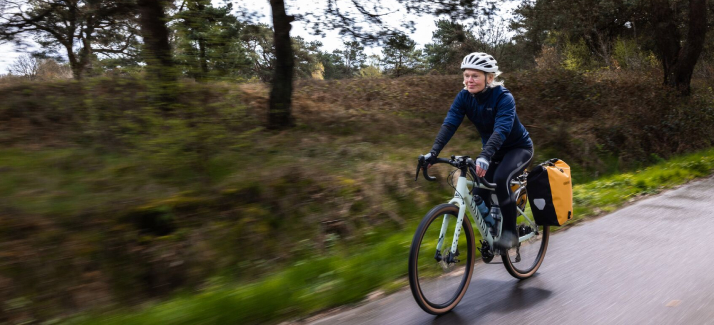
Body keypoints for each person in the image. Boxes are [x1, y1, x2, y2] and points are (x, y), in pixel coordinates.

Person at [423, 52, 534, 251]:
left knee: (501, 179)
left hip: (518, 149)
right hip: (491, 152)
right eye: (466, 75)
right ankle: (493, 229)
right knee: (479, 193)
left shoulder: (503, 97)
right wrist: (433, 152)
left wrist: (485, 155)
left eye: (475, 75)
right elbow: (450, 124)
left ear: (489, 77)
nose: (469, 80)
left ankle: (510, 234)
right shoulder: (464, 97)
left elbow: (502, 129)